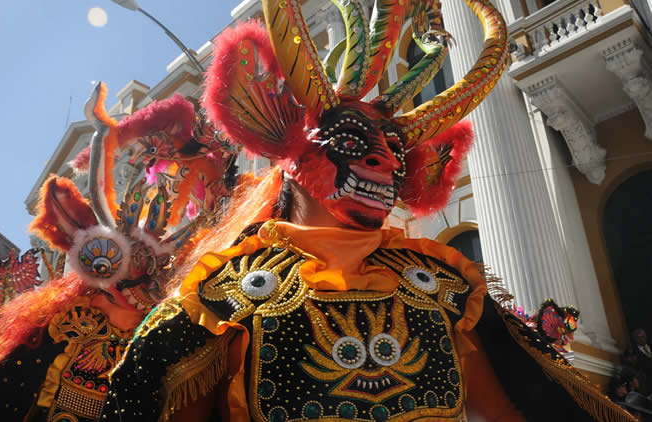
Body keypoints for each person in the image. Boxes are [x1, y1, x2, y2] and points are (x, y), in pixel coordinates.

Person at [99, 0, 633, 421]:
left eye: (397, 154)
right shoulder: (222, 296)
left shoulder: (444, 284)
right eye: (352, 138)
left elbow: (500, 410)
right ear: (284, 145)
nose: (383, 159)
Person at [0, 86, 234, 422]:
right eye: (133, 266)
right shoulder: (63, 329)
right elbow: (98, 193)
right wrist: (103, 129)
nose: (141, 281)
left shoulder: (165, 324)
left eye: (150, 271)